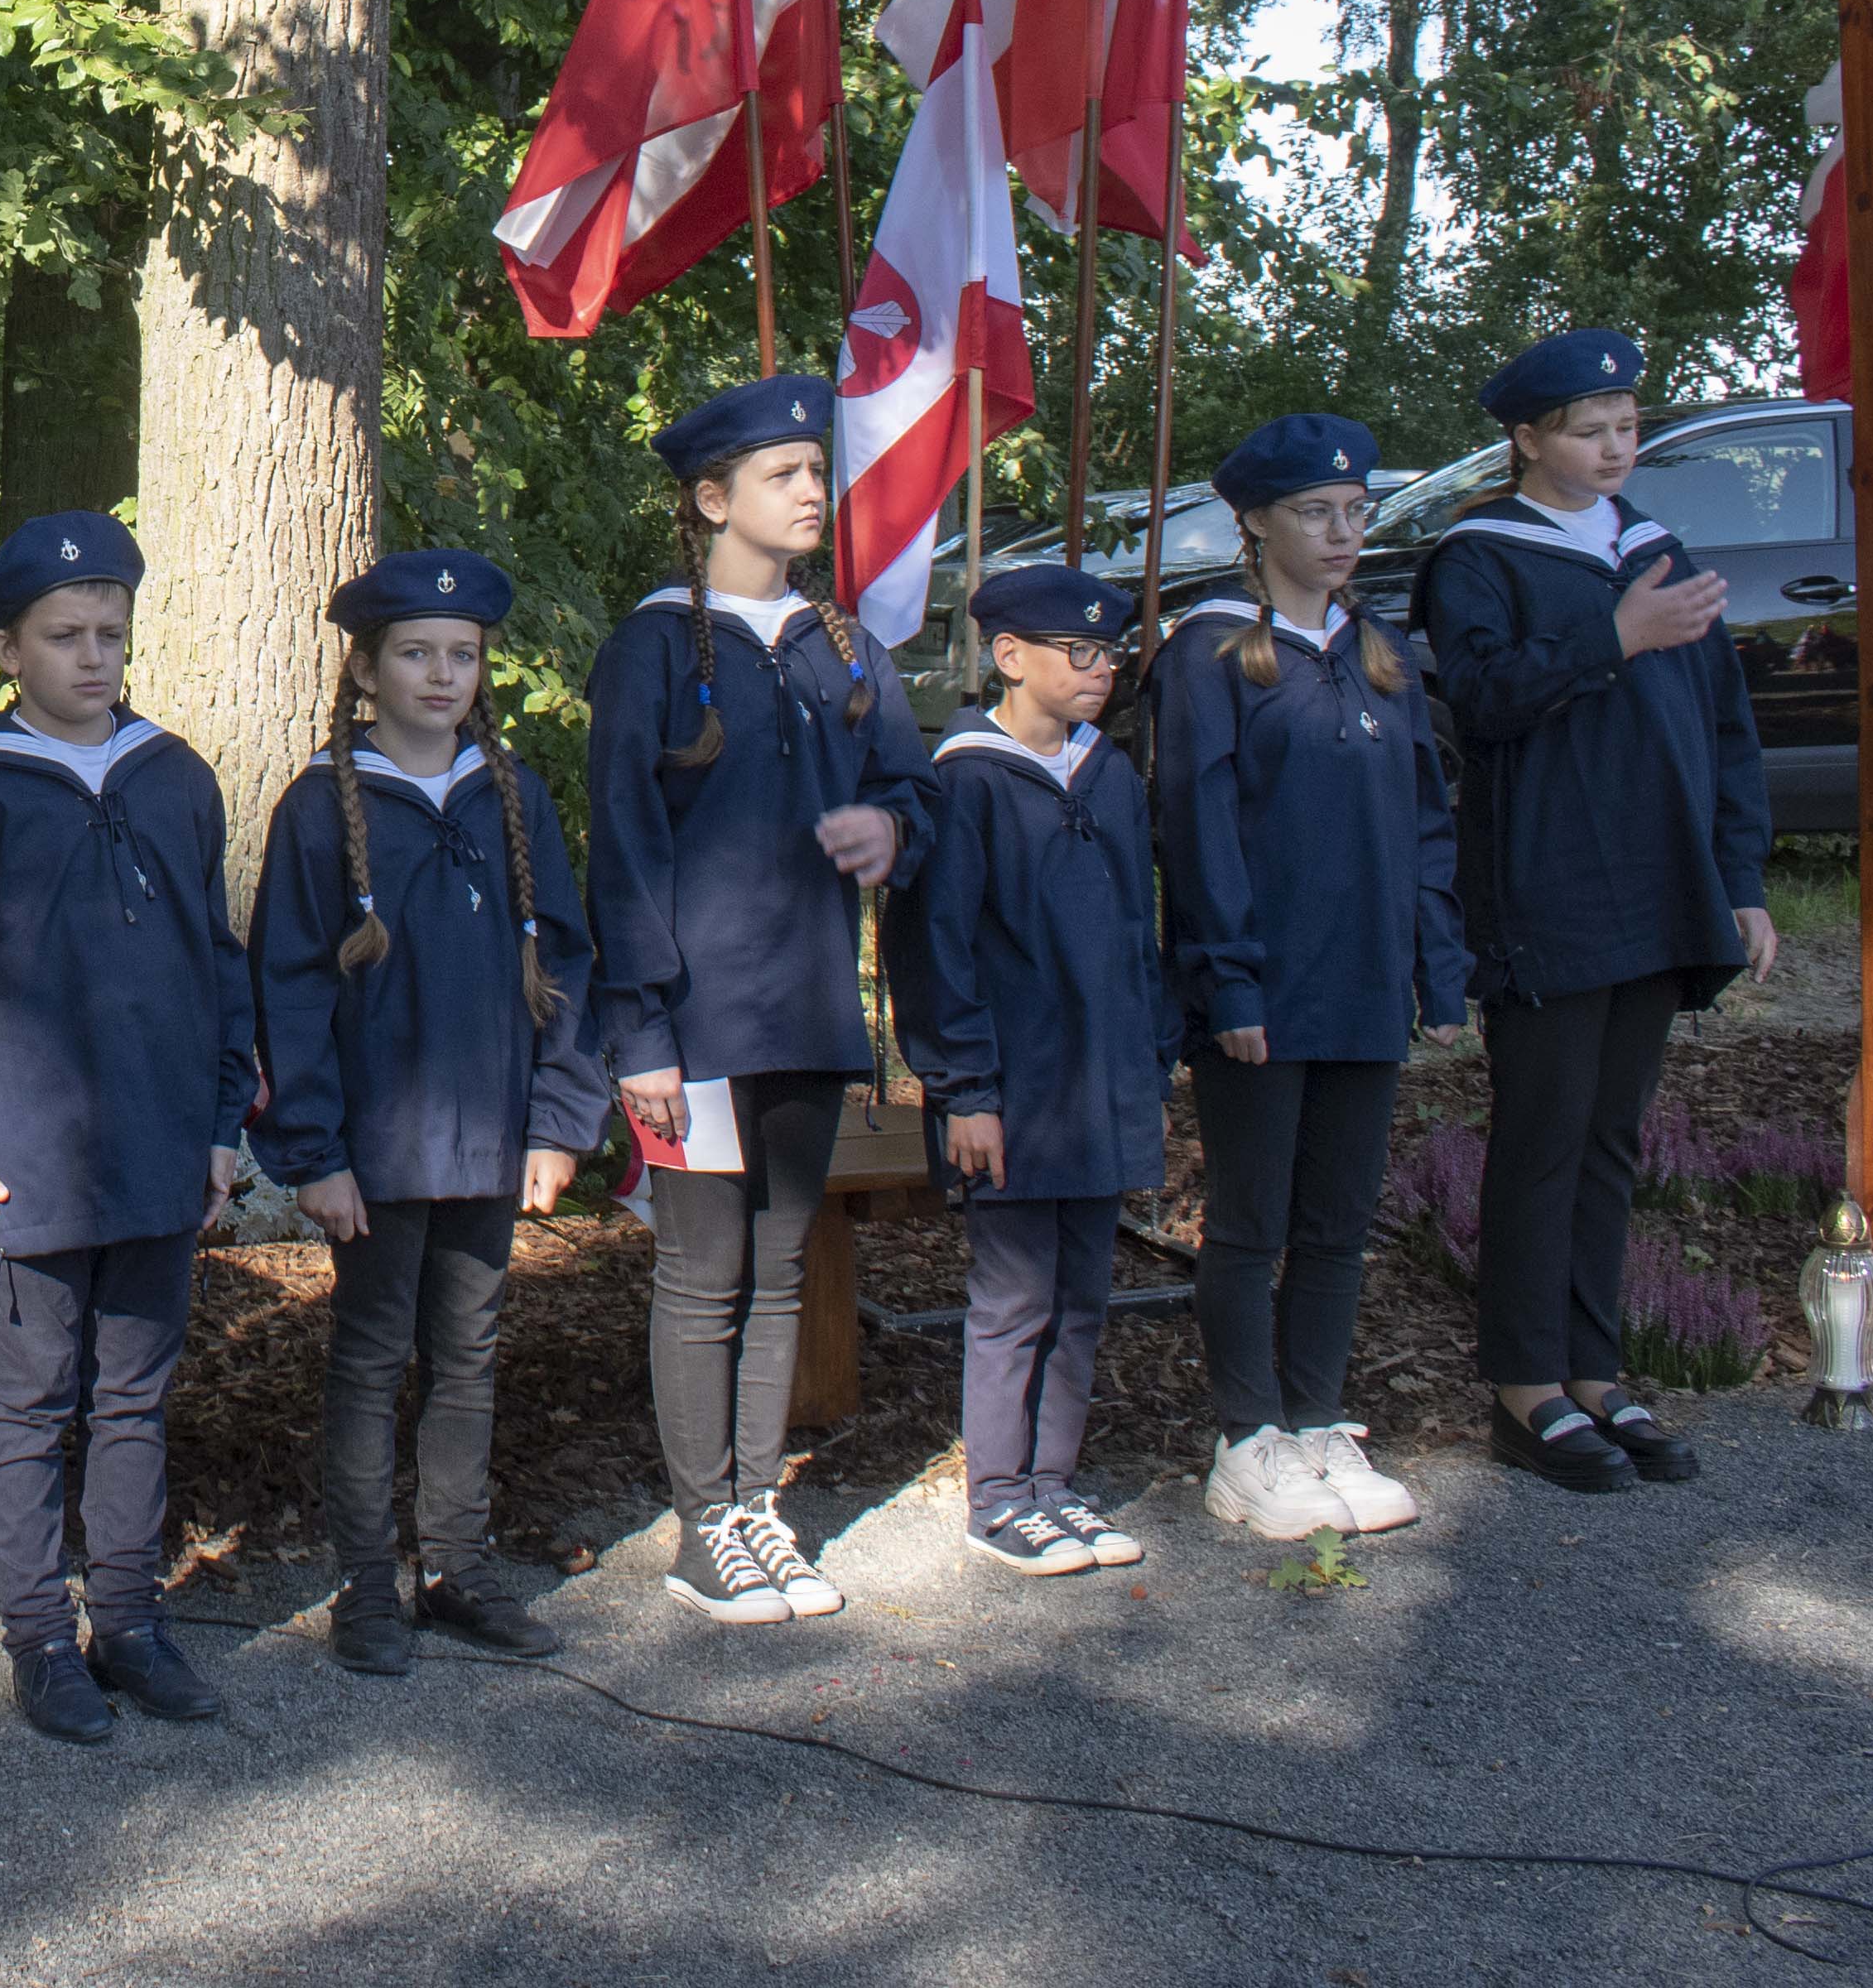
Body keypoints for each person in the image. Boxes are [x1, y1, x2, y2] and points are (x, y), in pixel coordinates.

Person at [0, 511, 248, 1745]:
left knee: (135, 1393)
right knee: (29, 1399)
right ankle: (39, 1636)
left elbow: (216, 955)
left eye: (108, 631)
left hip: (155, 1145)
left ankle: (132, 1619)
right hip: (20, 1155)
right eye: (61, 635)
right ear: (7, 646)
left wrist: (217, 1119)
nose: (91, 655)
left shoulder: (174, 775)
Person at [584, 373, 935, 1629]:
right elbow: (620, 850)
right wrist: (639, 1033)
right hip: (690, 1034)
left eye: (812, 472)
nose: (807, 493)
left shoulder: (842, 646)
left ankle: (755, 1507)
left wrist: (887, 829)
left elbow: (915, 791)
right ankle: (700, 1528)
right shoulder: (651, 649)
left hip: (804, 1015)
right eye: (782, 474)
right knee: (702, 1268)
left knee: (781, 1267)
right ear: (709, 497)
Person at [1416, 332, 1777, 1495]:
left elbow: (1722, 729)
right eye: (1586, 428)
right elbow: (1480, 698)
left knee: (1611, 1139)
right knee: (1541, 1137)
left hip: (1659, 879)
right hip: (1550, 884)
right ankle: (1523, 1388)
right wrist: (1612, 636)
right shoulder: (1477, 555)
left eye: (1625, 424)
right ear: (1526, 438)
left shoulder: (1654, 550)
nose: (1613, 447)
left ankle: (1591, 1367)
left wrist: (1738, 879)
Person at [249, 548, 599, 1678]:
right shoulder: (320, 806)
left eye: (461, 654)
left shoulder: (511, 793)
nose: (441, 673)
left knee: (468, 1351)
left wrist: (554, 1120)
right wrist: (314, 1151)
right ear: (365, 668)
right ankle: (363, 1581)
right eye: (414, 653)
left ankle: (455, 1566)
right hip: (377, 1148)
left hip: (491, 1132)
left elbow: (567, 961)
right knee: (367, 1358)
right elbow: (289, 989)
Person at [1156, 413, 1463, 1542]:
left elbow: (1427, 823)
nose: (1341, 531)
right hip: (1263, 988)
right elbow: (1196, 831)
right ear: (1253, 521)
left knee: (1337, 1218)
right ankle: (1247, 1437)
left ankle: (1316, 1416)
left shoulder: (1375, 649)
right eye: (1313, 512)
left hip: (1364, 979)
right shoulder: (1210, 652)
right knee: (1251, 1218)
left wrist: (1435, 965)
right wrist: (1226, 982)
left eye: (1354, 509)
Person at [897, 566, 1177, 1578]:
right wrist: (963, 1090)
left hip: (1102, 1086)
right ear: (1008, 656)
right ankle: (998, 1497)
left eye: (1110, 653)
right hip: (1010, 1092)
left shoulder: (1110, 772)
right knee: (1012, 1300)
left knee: (1084, 1294)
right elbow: (936, 948)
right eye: (1079, 652)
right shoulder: (964, 776)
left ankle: (1054, 1486)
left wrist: (1151, 1058)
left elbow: (1138, 932)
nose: (1101, 670)